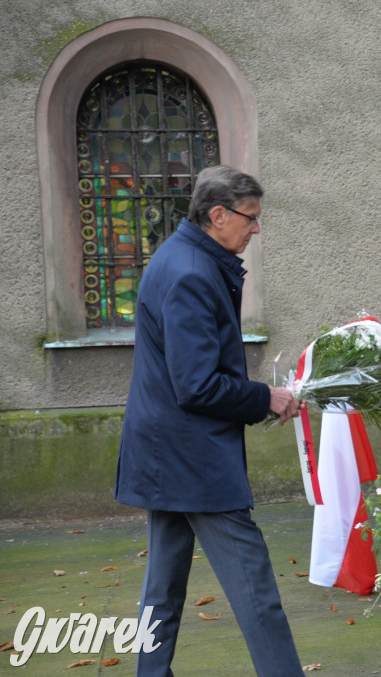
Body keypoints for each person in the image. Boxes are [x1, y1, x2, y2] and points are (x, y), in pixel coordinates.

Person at [115, 165, 305, 676]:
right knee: (256, 591)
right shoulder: (192, 273)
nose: (256, 229)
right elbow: (196, 384)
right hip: (192, 459)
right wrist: (265, 396)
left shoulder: (187, 259)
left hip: (168, 453)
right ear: (217, 215)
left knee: (162, 589)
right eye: (251, 218)